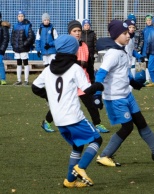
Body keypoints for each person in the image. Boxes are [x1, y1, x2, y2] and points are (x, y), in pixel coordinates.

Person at [94, 20, 154, 167]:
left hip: (127, 95)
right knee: (127, 127)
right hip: (116, 98)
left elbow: (122, 73)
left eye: (128, 33)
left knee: (141, 122)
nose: (128, 35)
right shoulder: (113, 54)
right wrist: (97, 94)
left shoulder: (123, 50)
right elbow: (100, 75)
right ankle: (104, 155)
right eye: (124, 33)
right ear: (115, 36)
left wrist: (133, 82)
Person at [31, 34, 104, 188]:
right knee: (97, 139)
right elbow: (88, 90)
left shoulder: (49, 68)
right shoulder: (75, 68)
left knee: (78, 145)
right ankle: (81, 167)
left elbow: (35, 87)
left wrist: (49, 98)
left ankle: (69, 181)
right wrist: (99, 86)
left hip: (58, 120)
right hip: (73, 117)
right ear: (73, 50)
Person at [40, 20, 109, 133]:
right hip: (70, 81)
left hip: (83, 81)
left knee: (91, 104)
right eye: (74, 31)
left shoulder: (85, 46)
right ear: (69, 33)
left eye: (79, 31)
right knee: (62, 104)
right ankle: (47, 121)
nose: (77, 33)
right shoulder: (66, 46)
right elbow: (64, 63)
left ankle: (98, 124)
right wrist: (80, 63)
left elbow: (89, 64)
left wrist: (91, 79)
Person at [11, 10, 35, 86]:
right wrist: (13, 44)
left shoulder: (27, 25)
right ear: (17, 17)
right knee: (18, 63)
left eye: (22, 16)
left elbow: (31, 36)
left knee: (25, 63)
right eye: (19, 16)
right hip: (17, 48)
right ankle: (19, 80)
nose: (20, 17)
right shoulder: (15, 26)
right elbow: (12, 36)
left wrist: (25, 44)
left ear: (24, 17)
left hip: (24, 48)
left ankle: (26, 80)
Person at [81, 19, 97, 84]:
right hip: (83, 55)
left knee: (90, 70)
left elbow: (95, 44)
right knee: (83, 69)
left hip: (90, 55)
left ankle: (92, 83)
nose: (87, 26)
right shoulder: (81, 34)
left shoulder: (93, 34)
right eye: (85, 25)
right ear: (83, 26)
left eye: (88, 25)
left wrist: (95, 53)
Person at [141, 14, 153, 85]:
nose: (149, 21)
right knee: (147, 64)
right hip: (145, 50)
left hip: (153, 50)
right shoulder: (144, 30)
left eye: (150, 20)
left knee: (153, 65)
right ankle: (147, 79)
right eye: (147, 20)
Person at [0, 11, 10, 85]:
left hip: (0, 49)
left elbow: (6, 39)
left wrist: (2, 49)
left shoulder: (3, 27)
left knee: (0, 63)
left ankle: (3, 79)